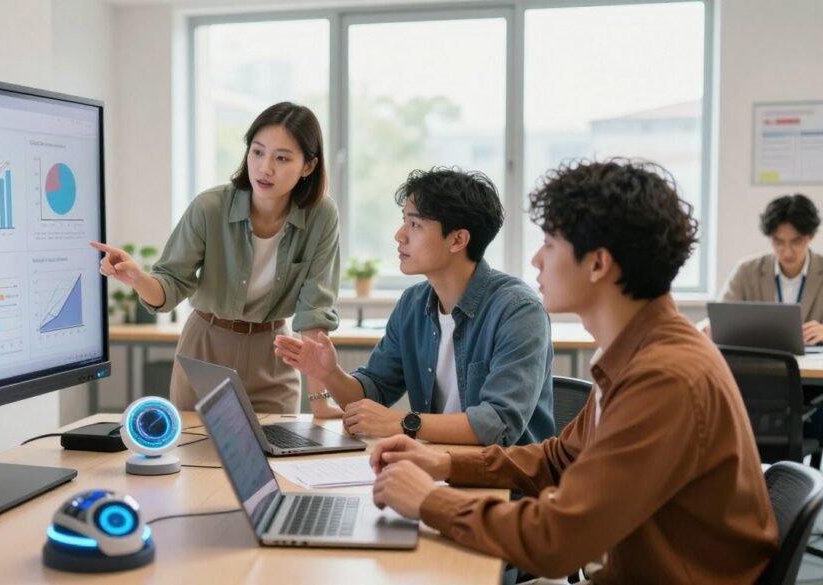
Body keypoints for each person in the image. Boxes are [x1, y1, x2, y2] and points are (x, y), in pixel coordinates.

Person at [370, 159, 777, 584]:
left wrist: (428, 503)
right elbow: (559, 459)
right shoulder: (635, 352)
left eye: (549, 243)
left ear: (598, 264)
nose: (535, 259)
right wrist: (442, 463)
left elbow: (556, 540)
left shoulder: (665, 377)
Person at [92, 102, 342, 417]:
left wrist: (320, 402)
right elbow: (171, 286)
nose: (265, 168)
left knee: (278, 455)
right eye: (257, 151)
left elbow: (314, 311)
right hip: (206, 348)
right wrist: (138, 279)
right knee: (196, 458)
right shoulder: (210, 207)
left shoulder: (322, 215)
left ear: (308, 166)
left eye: (282, 158)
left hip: (273, 351)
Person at [275, 167, 554, 446]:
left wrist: (401, 423)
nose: (400, 235)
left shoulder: (518, 311)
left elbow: (498, 424)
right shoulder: (413, 304)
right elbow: (369, 397)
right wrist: (329, 373)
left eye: (415, 224)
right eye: (403, 222)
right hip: (436, 467)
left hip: (503, 480)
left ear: (458, 239)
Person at [708, 193, 823, 344]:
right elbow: (720, 319)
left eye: (796, 241)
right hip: (760, 360)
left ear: (811, 236)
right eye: (778, 241)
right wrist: (709, 328)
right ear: (769, 237)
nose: (787, 251)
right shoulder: (747, 271)